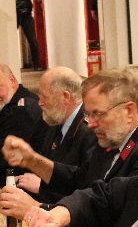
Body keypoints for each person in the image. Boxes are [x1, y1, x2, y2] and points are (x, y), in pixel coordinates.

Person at [0, 67, 138, 211]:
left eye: (98, 114)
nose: (91, 124)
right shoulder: (114, 136)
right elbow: (81, 180)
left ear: (129, 111)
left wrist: (38, 209)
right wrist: (32, 160)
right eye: (88, 114)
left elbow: (111, 211)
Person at [13, 66, 97, 205]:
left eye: (44, 97)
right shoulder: (56, 120)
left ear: (65, 97)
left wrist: (42, 188)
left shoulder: (90, 130)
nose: (39, 102)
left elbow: (86, 189)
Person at [13, 0, 41, 70]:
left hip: (26, 13)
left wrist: (39, 1)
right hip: (13, 14)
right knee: (10, 40)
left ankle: (36, 65)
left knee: (33, 40)